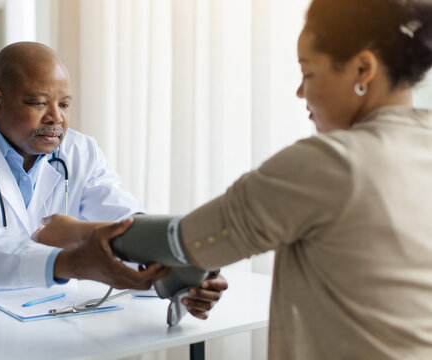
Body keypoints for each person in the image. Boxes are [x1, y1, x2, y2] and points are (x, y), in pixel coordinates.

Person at [33, 0, 432, 358]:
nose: (299, 91)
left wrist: (74, 233)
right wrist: (188, 276)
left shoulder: (332, 163)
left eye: (307, 72)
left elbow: (182, 239)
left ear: (363, 69)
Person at [0, 42, 227, 315]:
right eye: (39, 103)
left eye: (65, 104)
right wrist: (72, 262)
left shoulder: (81, 151)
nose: (56, 117)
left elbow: (124, 220)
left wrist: (180, 272)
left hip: (45, 315)